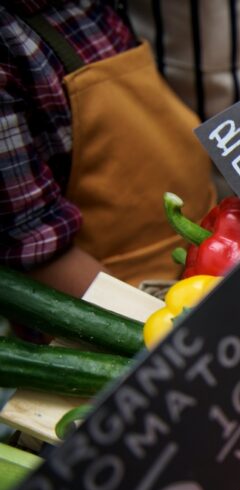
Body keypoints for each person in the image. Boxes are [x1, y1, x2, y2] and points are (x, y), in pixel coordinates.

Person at [0, 0, 215, 298]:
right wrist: (155, 325)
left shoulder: (84, 6)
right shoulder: (9, 42)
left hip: (206, 253)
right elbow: (36, 249)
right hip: (120, 295)